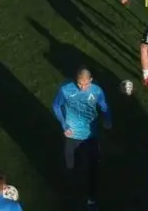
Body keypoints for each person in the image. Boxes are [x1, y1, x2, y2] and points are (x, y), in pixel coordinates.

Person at [52, 67, 112, 208]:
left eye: (86, 84)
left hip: (91, 135)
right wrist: (64, 125)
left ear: (91, 80)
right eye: (80, 84)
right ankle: (72, 195)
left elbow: (104, 106)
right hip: (72, 135)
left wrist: (108, 120)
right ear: (75, 80)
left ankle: (92, 198)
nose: (82, 87)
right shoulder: (66, 90)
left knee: (93, 167)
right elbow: (56, 106)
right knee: (71, 167)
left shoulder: (97, 91)